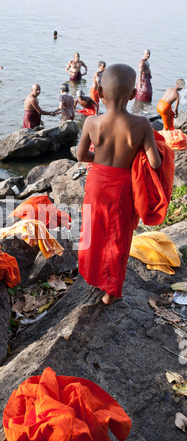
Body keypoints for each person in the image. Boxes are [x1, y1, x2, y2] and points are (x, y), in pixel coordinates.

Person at [76, 63, 161, 305]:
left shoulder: (92, 122)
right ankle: (111, 291)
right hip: (123, 187)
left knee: (95, 229)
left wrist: (100, 160)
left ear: (100, 93)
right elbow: (154, 163)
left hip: (96, 183)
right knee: (118, 236)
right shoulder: (142, 124)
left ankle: (93, 275)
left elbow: (81, 156)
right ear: (134, 95)